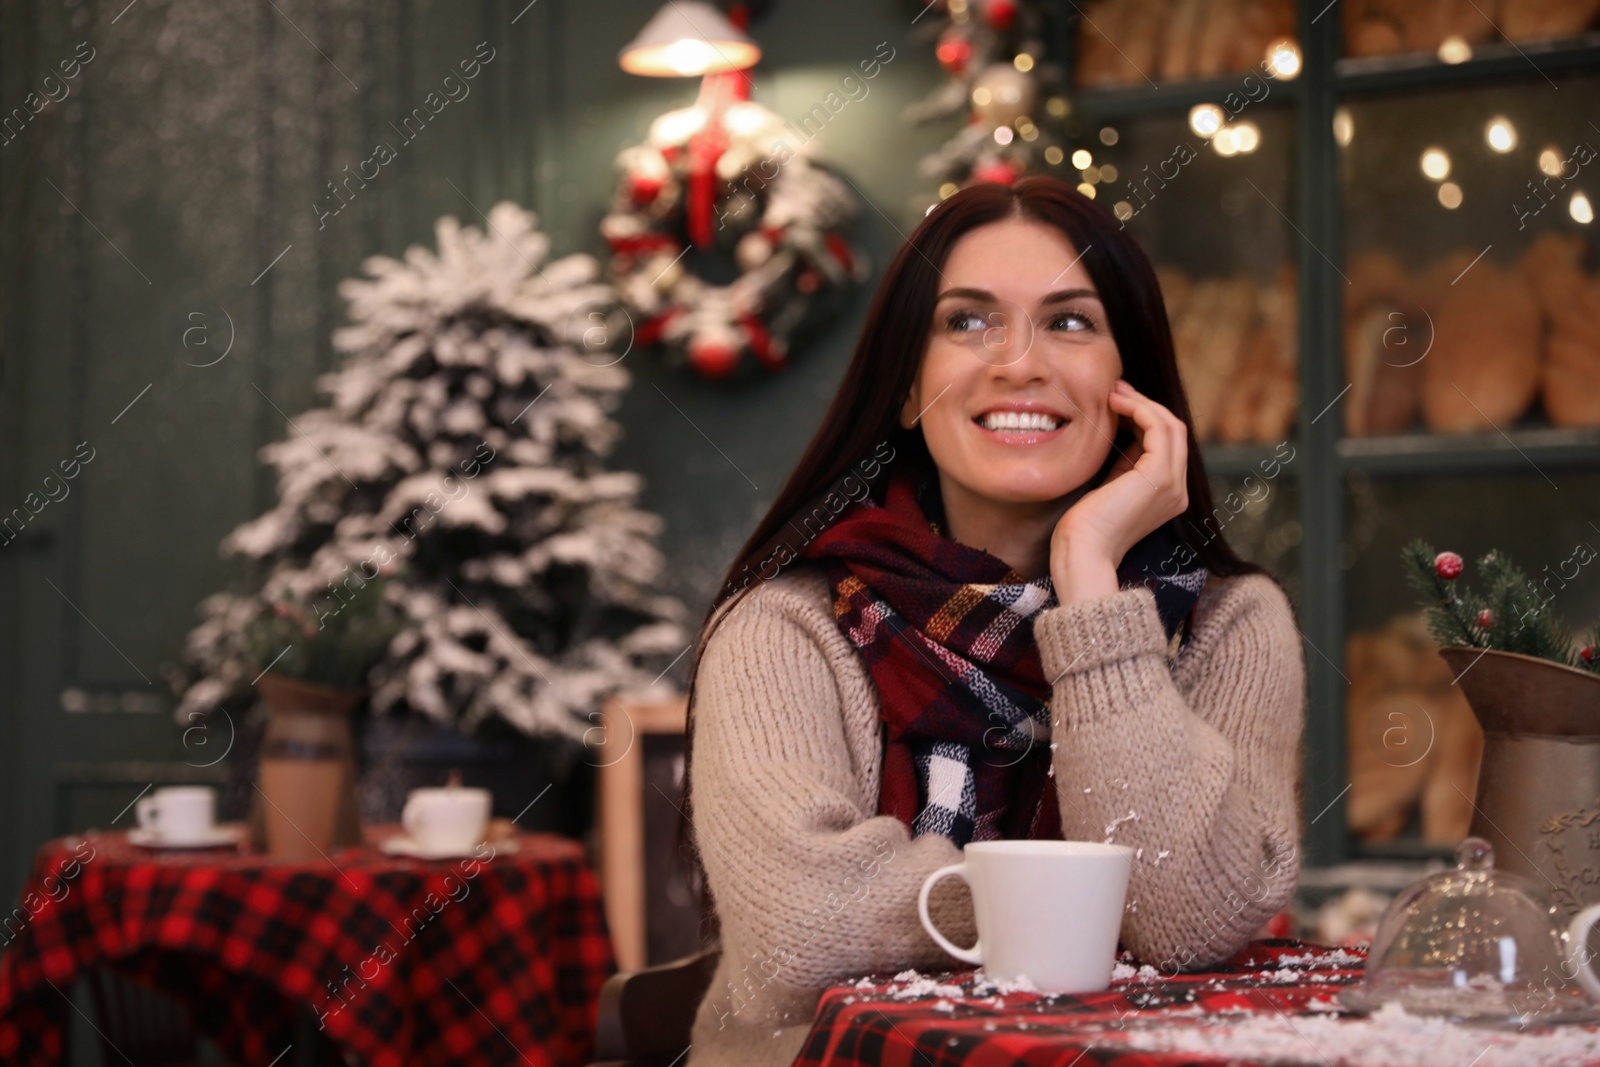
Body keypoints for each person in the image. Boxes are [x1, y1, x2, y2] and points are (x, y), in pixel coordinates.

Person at [680, 175, 1306, 1066]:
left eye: (1070, 320)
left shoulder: (1230, 626)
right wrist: (1087, 902)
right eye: (968, 320)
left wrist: (1090, 582)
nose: (1020, 362)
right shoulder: (786, 630)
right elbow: (802, 933)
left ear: (1129, 383)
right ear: (906, 388)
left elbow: (1185, 918)